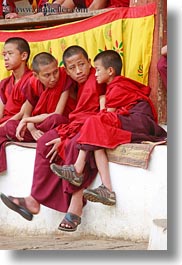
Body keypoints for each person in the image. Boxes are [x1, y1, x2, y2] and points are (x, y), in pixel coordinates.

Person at [0, 45, 105, 232]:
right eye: (72, 68)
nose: (78, 71)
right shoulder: (61, 80)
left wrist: (63, 137)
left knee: (73, 145)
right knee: (44, 142)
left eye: (82, 65)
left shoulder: (95, 80)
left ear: (90, 63)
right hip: (74, 124)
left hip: (88, 125)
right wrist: (31, 125)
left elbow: (98, 115)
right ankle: (34, 199)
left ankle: (76, 206)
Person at [50, 50, 167, 206]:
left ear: (110, 71)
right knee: (96, 137)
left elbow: (106, 117)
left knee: (94, 122)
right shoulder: (112, 87)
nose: (95, 74)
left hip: (139, 121)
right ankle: (107, 189)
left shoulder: (117, 86)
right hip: (129, 121)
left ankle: (77, 169)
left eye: (97, 70)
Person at [0, 51, 77, 173]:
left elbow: (57, 113)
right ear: (36, 75)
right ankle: (36, 136)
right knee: (10, 126)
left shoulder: (63, 78)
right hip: (40, 125)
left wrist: (27, 121)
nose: (53, 78)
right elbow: (26, 113)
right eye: (47, 75)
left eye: (55, 72)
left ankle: (39, 137)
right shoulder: (32, 83)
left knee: (54, 120)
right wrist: (32, 128)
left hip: (59, 124)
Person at [0, 37, 32, 127]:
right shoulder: (4, 83)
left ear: (23, 56)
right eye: (4, 54)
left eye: (10, 54)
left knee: (11, 126)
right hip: (4, 123)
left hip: (19, 124)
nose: (6, 58)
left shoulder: (32, 80)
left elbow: (22, 114)